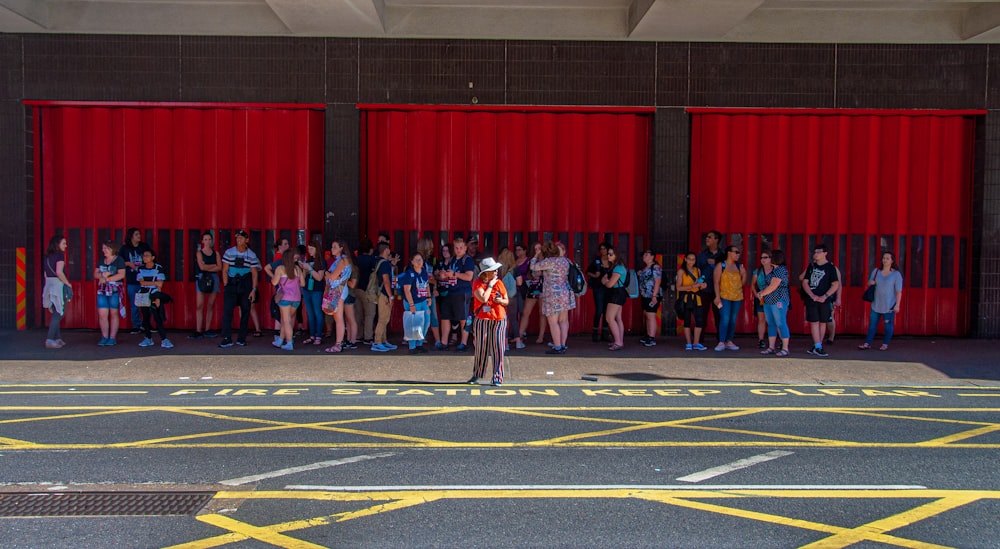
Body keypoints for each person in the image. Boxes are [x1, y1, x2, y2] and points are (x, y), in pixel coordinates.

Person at [468, 257, 509, 386]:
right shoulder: (477, 283)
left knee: (498, 347)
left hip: (498, 318)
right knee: (481, 347)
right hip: (483, 318)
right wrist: (491, 285)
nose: (496, 272)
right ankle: (477, 374)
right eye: (493, 270)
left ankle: (498, 377)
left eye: (496, 269)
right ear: (486, 272)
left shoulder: (500, 283)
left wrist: (500, 301)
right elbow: (483, 298)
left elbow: (506, 300)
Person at [218, 229, 261, 348]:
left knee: (245, 310)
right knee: (228, 311)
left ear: (247, 240)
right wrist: (226, 284)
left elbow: (254, 273)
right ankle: (227, 338)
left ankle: (241, 338)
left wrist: (253, 289)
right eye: (237, 238)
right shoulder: (229, 252)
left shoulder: (251, 255)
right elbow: (225, 269)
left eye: (241, 238)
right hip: (232, 283)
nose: (239, 240)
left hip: (245, 284)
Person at [531, 241, 575, 354]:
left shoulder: (549, 262)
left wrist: (536, 255)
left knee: (553, 321)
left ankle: (557, 346)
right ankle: (563, 344)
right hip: (565, 292)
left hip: (552, 294)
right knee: (563, 320)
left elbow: (533, 267)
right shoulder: (566, 261)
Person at [859, 251, 904, 351]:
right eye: (884, 258)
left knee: (888, 325)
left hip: (889, 305)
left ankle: (885, 344)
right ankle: (867, 343)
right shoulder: (876, 271)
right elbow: (869, 282)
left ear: (892, 260)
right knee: (872, 325)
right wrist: (871, 282)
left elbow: (898, 291)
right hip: (876, 303)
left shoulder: (896, 275)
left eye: (888, 258)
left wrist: (897, 305)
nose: (885, 260)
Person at [437, 237, 476, 352]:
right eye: (456, 248)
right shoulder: (453, 259)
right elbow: (449, 274)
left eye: (461, 248)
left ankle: (463, 342)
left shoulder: (467, 260)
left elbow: (469, 276)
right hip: (450, 291)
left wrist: (454, 274)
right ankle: (444, 342)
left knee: (463, 317)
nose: (458, 250)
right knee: (445, 316)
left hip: (462, 292)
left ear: (465, 248)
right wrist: (443, 275)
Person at [801, 243, 839, 357]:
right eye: (815, 252)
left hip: (824, 300)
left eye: (819, 252)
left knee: (823, 322)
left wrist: (825, 296)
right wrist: (811, 295)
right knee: (814, 322)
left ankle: (818, 345)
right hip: (812, 299)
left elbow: (835, 284)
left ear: (825, 253)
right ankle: (817, 345)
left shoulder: (830, 267)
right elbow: (805, 282)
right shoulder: (811, 266)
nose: (816, 254)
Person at [754, 249, 791, 356]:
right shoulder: (774, 270)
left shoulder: (781, 270)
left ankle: (785, 348)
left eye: (770, 257)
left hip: (778, 299)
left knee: (781, 323)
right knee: (771, 324)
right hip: (768, 300)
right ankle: (771, 347)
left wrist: (762, 293)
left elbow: (773, 286)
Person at [136, 249, 173, 349]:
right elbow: (142, 283)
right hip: (144, 294)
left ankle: (164, 339)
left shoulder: (158, 268)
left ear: (153, 257)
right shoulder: (140, 269)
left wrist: (158, 298)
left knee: (158, 317)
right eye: (143, 256)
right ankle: (148, 338)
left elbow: (160, 284)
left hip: (155, 294)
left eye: (147, 256)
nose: (145, 258)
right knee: (146, 318)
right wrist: (154, 283)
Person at [713, 245, 746, 351]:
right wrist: (717, 296)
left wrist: (744, 274)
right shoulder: (721, 265)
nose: (738, 254)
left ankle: (729, 340)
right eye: (736, 252)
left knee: (733, 319)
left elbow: (742, 283)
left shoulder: (739, 266)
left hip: (737, 297)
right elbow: (716, 282)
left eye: (739, 252)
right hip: (724, 296)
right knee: (725, 318)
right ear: (729, 253)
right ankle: (721, 341)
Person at [93, 239, 126, 346]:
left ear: (113, 249)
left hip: (115, 290)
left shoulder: (119, 260)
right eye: (103, 248)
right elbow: (95, 274)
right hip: (102, 290)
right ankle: (104, 336)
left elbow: (121, 274)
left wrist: (108, 279)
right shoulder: (101, 260)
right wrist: (102, 276)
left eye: (106, 248)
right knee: (102, 314)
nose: (104, 250)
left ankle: (112, 337)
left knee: (114, 313)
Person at [271, 248, 305, 351]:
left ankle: (289, 343)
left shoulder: (280, 268)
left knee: (286, 321)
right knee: (286, 319)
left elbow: (274, 282)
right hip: (296, 298)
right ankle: (280, 340)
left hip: (285, 298)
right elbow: (303, 284)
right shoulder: (297, 269)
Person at [190, 231, 222, 339]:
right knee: (200, 305)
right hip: (202, 277)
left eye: (209, 239)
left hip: (213, 278)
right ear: (202, 241)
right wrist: (213, 265)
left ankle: (208, 329)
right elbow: (202, 267)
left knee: (210, 305)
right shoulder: (199, 253)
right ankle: (198, 329)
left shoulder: (216, 253)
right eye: (205, 239)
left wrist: (209, 266)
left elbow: (219, 267)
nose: (207, 241)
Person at [322, 239, 352, 353]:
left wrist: (327, 274)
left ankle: (338, 344)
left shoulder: (342, 260)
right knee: (337, 317)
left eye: (335, 247)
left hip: (338, 291)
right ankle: (339, 342)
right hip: (338, 290)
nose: (332, 249)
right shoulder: (341, 260)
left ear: (341, 248)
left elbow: (333, 276)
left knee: (338, 317)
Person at [120, 228, 152, 334]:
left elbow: (152, 259)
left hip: (145, 280)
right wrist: (129, 264)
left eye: (139, 234)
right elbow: (119, 262)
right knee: (134, 304)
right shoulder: (125, 249)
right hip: (132, 280)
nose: (139, 236)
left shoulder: (144, 247)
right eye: (136, 234)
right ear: (131, 236)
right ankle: (136, 325)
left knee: (147, 303)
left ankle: (147, 324)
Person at [399, 251, 432, 354]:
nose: (419, 262)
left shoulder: (424, 272)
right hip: (414, 302)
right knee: (414, 324)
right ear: (412, 262)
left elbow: (426, 285)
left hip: (423, 301)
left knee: (426, 322)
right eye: (416, 260)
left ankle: (419, 343)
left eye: (420, 259)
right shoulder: (409, 274)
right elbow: (406, 290)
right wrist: (411, 305)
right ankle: (412, 346)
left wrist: (429, 297)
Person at [42, 235, 70, 349]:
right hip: (58, 285)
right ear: (57, 244)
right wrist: (68, 283)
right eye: (63, 243)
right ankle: (49, 339)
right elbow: (59, 272)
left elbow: (45, 273)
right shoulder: (59, 256)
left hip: (49, 284)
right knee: (59, 312)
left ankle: (57, 338)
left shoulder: (47, 256)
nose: (65, 246)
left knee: (55, 312)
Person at [696, 230, 725, 343]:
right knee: (702, 315)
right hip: (704, 290)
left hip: (720, 291)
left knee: (720, 315)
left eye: (710, 237)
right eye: (706, 237)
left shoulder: (723, 256)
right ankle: (699, 340)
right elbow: (697, 271)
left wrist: (717, 262)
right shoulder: (702, 255)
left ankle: (721, 339)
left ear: (716, 240)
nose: (707, 239)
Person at [675, 252, 708, 351]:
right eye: (689, 259)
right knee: (687, 321)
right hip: (686, 297)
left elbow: (700, 284)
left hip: (697, 297)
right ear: (685, 259)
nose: (691, 261)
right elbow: (678, 287)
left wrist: (703, 285)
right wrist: (692, 286)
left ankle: (696, 342)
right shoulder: (681, 271)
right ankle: (688, 343)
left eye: (693, 259)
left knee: (699, 320)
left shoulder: (698, 270)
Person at [371, 242, 398, 352]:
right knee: (383, 319)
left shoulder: (379, 262)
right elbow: (386, 281)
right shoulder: (385, 264)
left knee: (385, 318)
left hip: (381, 293)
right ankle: (377, 342)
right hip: (384, 294)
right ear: (386, 250)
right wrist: (391, 296)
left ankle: (383, 340)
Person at [601, 246, 628, 351]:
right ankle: (619, 340)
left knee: (609, 318)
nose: (608, 256)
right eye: (608, 254)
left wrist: (604, 282)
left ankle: (618, 342)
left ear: (616, 256)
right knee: (618, 318)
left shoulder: (617, 268)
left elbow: (610, 284)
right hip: (620, 293)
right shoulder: (620, 267)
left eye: (611, 254)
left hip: (616, 294)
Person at [417, 237, 442, 348]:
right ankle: (418, 339)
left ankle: (437, 340)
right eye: (430, 246)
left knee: (432, 316)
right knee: (419, 316)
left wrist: (435, 284)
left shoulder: (433, 259)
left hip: (430, 291)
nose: (432, 248)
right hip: (418, 292)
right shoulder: (416, 259)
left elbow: (433, 277)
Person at [300, 237, 326, 346]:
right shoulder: (308, 260)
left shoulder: (321, 261)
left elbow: (320, 277)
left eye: (311, 249)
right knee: (310, 313)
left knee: (317, 312)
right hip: (307, 288)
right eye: (308, 249)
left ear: (317, 249)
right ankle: (311, 335)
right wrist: (303, 268)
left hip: (317, 290)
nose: (309, 251)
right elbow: (304, 275)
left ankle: (318, 335)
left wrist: (309, 269)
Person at [497, 247, 523, 350]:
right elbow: (520, 282)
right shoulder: (515, 268)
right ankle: (518, 342)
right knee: (513, 319)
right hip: (512, 297)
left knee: (503, 320)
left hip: (501, 297)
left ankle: (505, 343)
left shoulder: (498, 269)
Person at [585, 242, 611, 342]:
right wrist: (595, 275)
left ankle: (605, 332)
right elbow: (587, 271)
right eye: (601, 249)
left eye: (604, 249)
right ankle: (595, 331)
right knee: (599, 310)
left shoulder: (611, 261)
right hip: (598, 287)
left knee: (606, 311)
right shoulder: (597, 261)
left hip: (609, 288)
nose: (603, 251)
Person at [637, 249, 663, 347]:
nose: (645, 256)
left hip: (652, 295)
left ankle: (652, 338)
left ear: (652, 257)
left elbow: (657, 281)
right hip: (644, 295)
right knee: (646, 315)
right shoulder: (644, 269)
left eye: (647, 255)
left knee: (651, 315)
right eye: (644, 254)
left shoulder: (655, 268)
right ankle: (648, 334)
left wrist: (654, 295)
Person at [353, 237, 376, 345]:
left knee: (358, 314)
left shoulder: (356, 259)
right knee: (369, 314)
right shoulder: (372, 260)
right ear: (370, 249)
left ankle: (358, 335)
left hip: (356, 289)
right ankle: (368, 337)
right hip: (368, 290)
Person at [750, 254, 768, 349]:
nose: (763, 259)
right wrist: (756, 294)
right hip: (761, 298)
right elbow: (752, 284)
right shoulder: (758, 271)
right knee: (761, 319)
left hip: (772, 298)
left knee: (775, 320)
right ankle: (761, 340)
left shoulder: (775, 270)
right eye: (761, 258)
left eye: (765, 257)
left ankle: (781, 340)